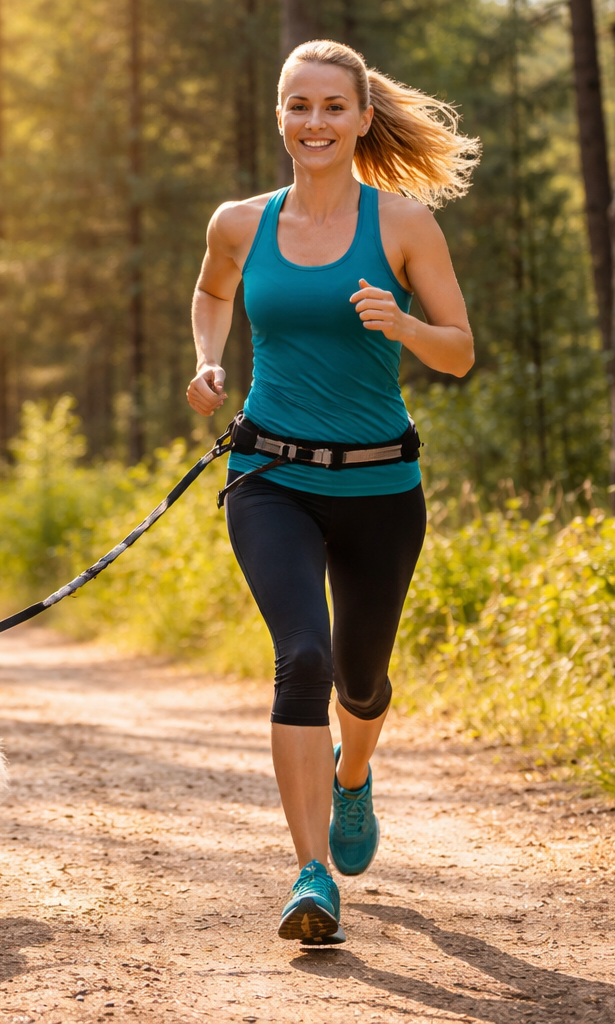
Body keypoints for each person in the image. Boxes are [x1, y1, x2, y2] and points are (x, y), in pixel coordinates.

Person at [185, 39, 478, 944]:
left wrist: (406, 323)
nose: (314, 122)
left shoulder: (402, 226)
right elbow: (210, 294)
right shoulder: (240, 222)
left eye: (331, 107)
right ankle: (312, 873)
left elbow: (460, 351)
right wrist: (206, 361)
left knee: (362, 678)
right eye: (298, 106)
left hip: (381, 486)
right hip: (268, 475)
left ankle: (354, 778)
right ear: (281, 116)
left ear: (360, 118)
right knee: (302, 657)